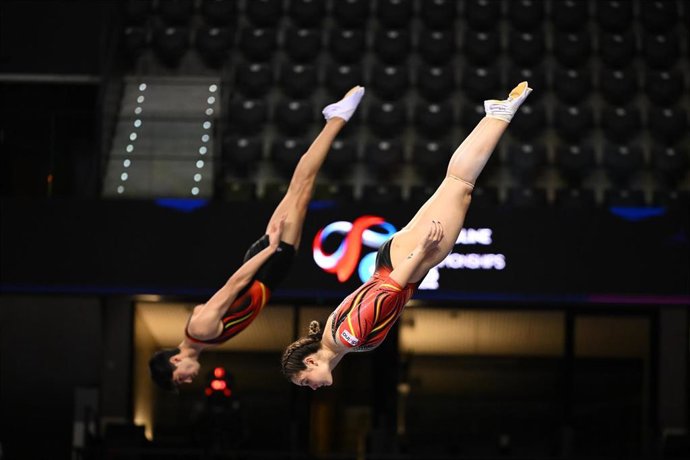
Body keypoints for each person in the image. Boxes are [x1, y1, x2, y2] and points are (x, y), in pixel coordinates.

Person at [281, 81, 533, 390]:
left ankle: (502, 114)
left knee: (461, 184)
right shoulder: (334, 338)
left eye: (305, 382)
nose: (312, 387)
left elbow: (386, 291)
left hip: (404, 264)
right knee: (456, 183)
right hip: (392, 259)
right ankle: (496, 113)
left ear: (311, 361)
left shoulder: (348, 338)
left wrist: (422, 252)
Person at [149, 86, 366, 390]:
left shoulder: (199, 328)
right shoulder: (202, 340)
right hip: (270, 272)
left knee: (301, 185)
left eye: (179, 378)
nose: (187, 379)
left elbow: (234, 284)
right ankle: (335, 119)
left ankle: (336, 118)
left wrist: (269, 250)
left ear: (174, 361)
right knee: (302, 189)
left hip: (265, 263)